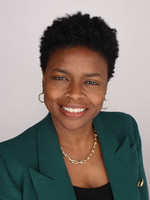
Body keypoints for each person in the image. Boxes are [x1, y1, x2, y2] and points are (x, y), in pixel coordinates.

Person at [0, 11, 149, 200]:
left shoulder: (125, 130)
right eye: (61, 78)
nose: (75, 93)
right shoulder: (8, 161)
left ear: (106, 85)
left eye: (92, 82)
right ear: (44, 76)